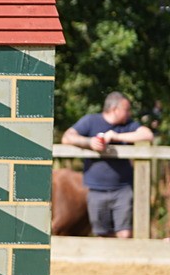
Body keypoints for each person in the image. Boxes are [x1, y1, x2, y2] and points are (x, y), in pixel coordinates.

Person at [62, 92, 154, 238]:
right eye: (127, 109)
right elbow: (67, 137)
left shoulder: (128, 125)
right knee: (102, 234)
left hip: (123, 189)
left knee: (124, 234)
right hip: (96, 190)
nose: (129, 113)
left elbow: (148, 135)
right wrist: (89, 143)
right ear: (114, 109)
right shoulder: (90, 121)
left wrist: (116, 136)